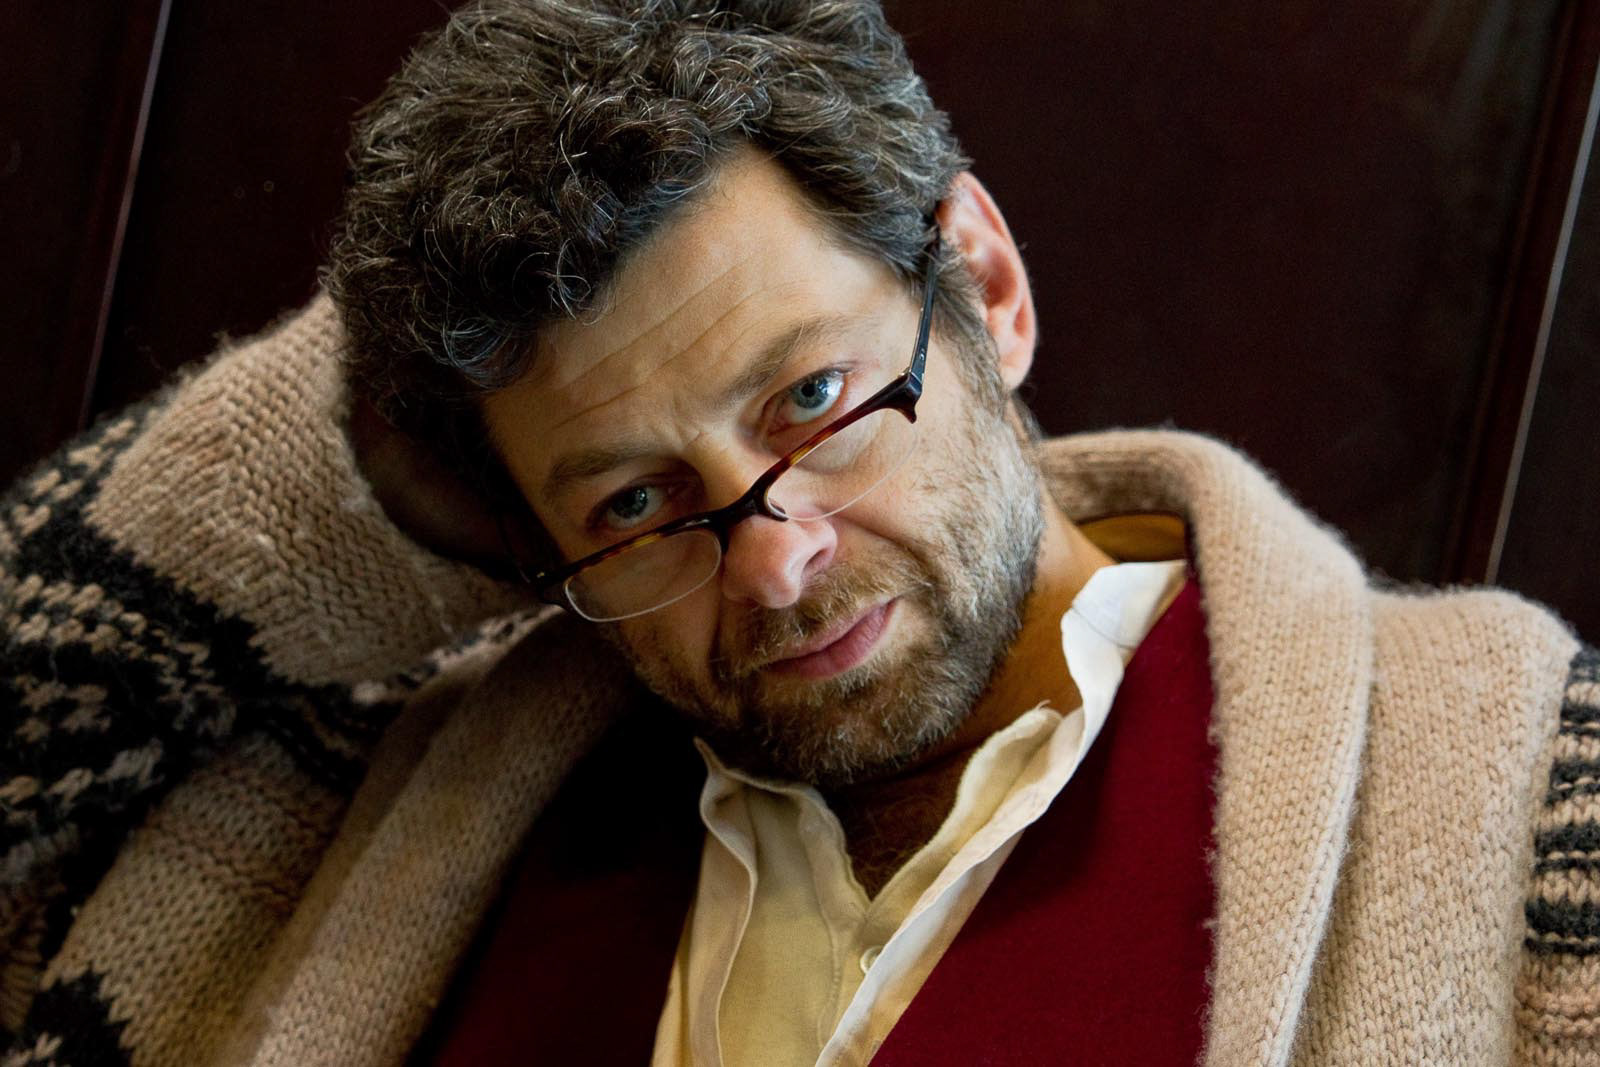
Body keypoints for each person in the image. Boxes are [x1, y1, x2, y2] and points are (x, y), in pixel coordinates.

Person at [0, 2, 1593, 1064]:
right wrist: (417, 443)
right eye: (635, 501)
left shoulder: (1535, 803)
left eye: (812, 399)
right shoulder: (342, 802)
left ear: (984, 285)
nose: (771, 561)